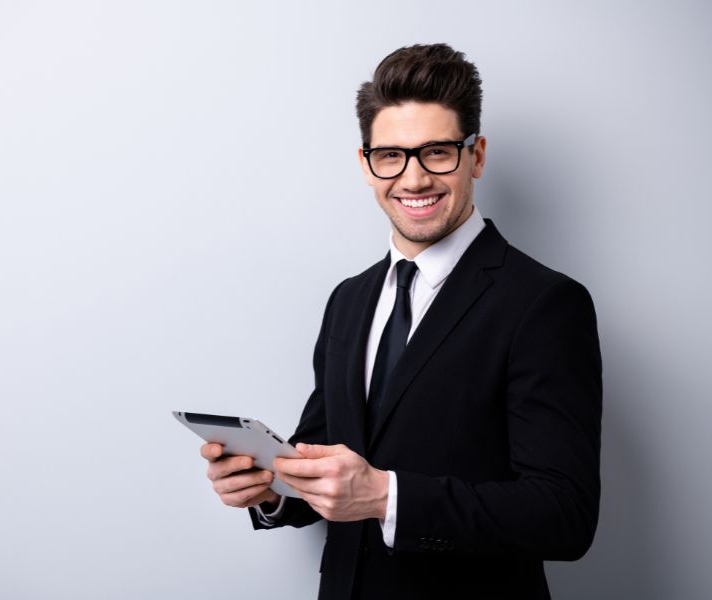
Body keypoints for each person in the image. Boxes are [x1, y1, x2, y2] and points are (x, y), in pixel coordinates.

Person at [200, 43, 602, 600]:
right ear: (366, 164)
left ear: (476, 156)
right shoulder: (348, 300)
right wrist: (272, 486)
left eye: (437, 152)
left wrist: (386, 497)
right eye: (391, 155)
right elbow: (324, 454)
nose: (413, 180)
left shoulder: (544, 304)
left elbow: (565, 514)